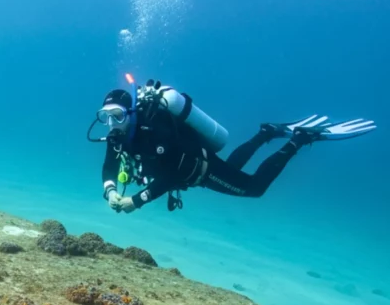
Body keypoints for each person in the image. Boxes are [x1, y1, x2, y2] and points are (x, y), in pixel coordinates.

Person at [88, 78, 377, 213]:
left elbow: (171, 176)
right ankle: (265, 134)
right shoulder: (119, 137)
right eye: (106, 117)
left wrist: (136, 201)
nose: (112, 124)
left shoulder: (155, 132)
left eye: (118, 116)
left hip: (198, 169)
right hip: (198, 167)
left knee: (254, 189)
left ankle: (299, 139)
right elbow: (109, 165)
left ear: (131, 114)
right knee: (232, 168)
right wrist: (110, 190)